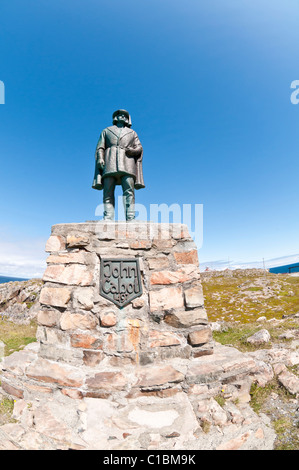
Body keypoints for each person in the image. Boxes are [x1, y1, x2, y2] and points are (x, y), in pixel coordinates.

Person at [92, 109, 145, 220]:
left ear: (127, 119)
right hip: (109, 161)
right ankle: (108, 218)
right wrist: (100, 158)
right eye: (119, 114)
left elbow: (139, 147)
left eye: (124, 115)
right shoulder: (106, 131)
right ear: (115, 118)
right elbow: (100, 147)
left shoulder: (132, 132)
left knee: (129, 191)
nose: (121, 116)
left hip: (127, 162)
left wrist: (134, 151)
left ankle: (130, 217)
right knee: (108, 191)